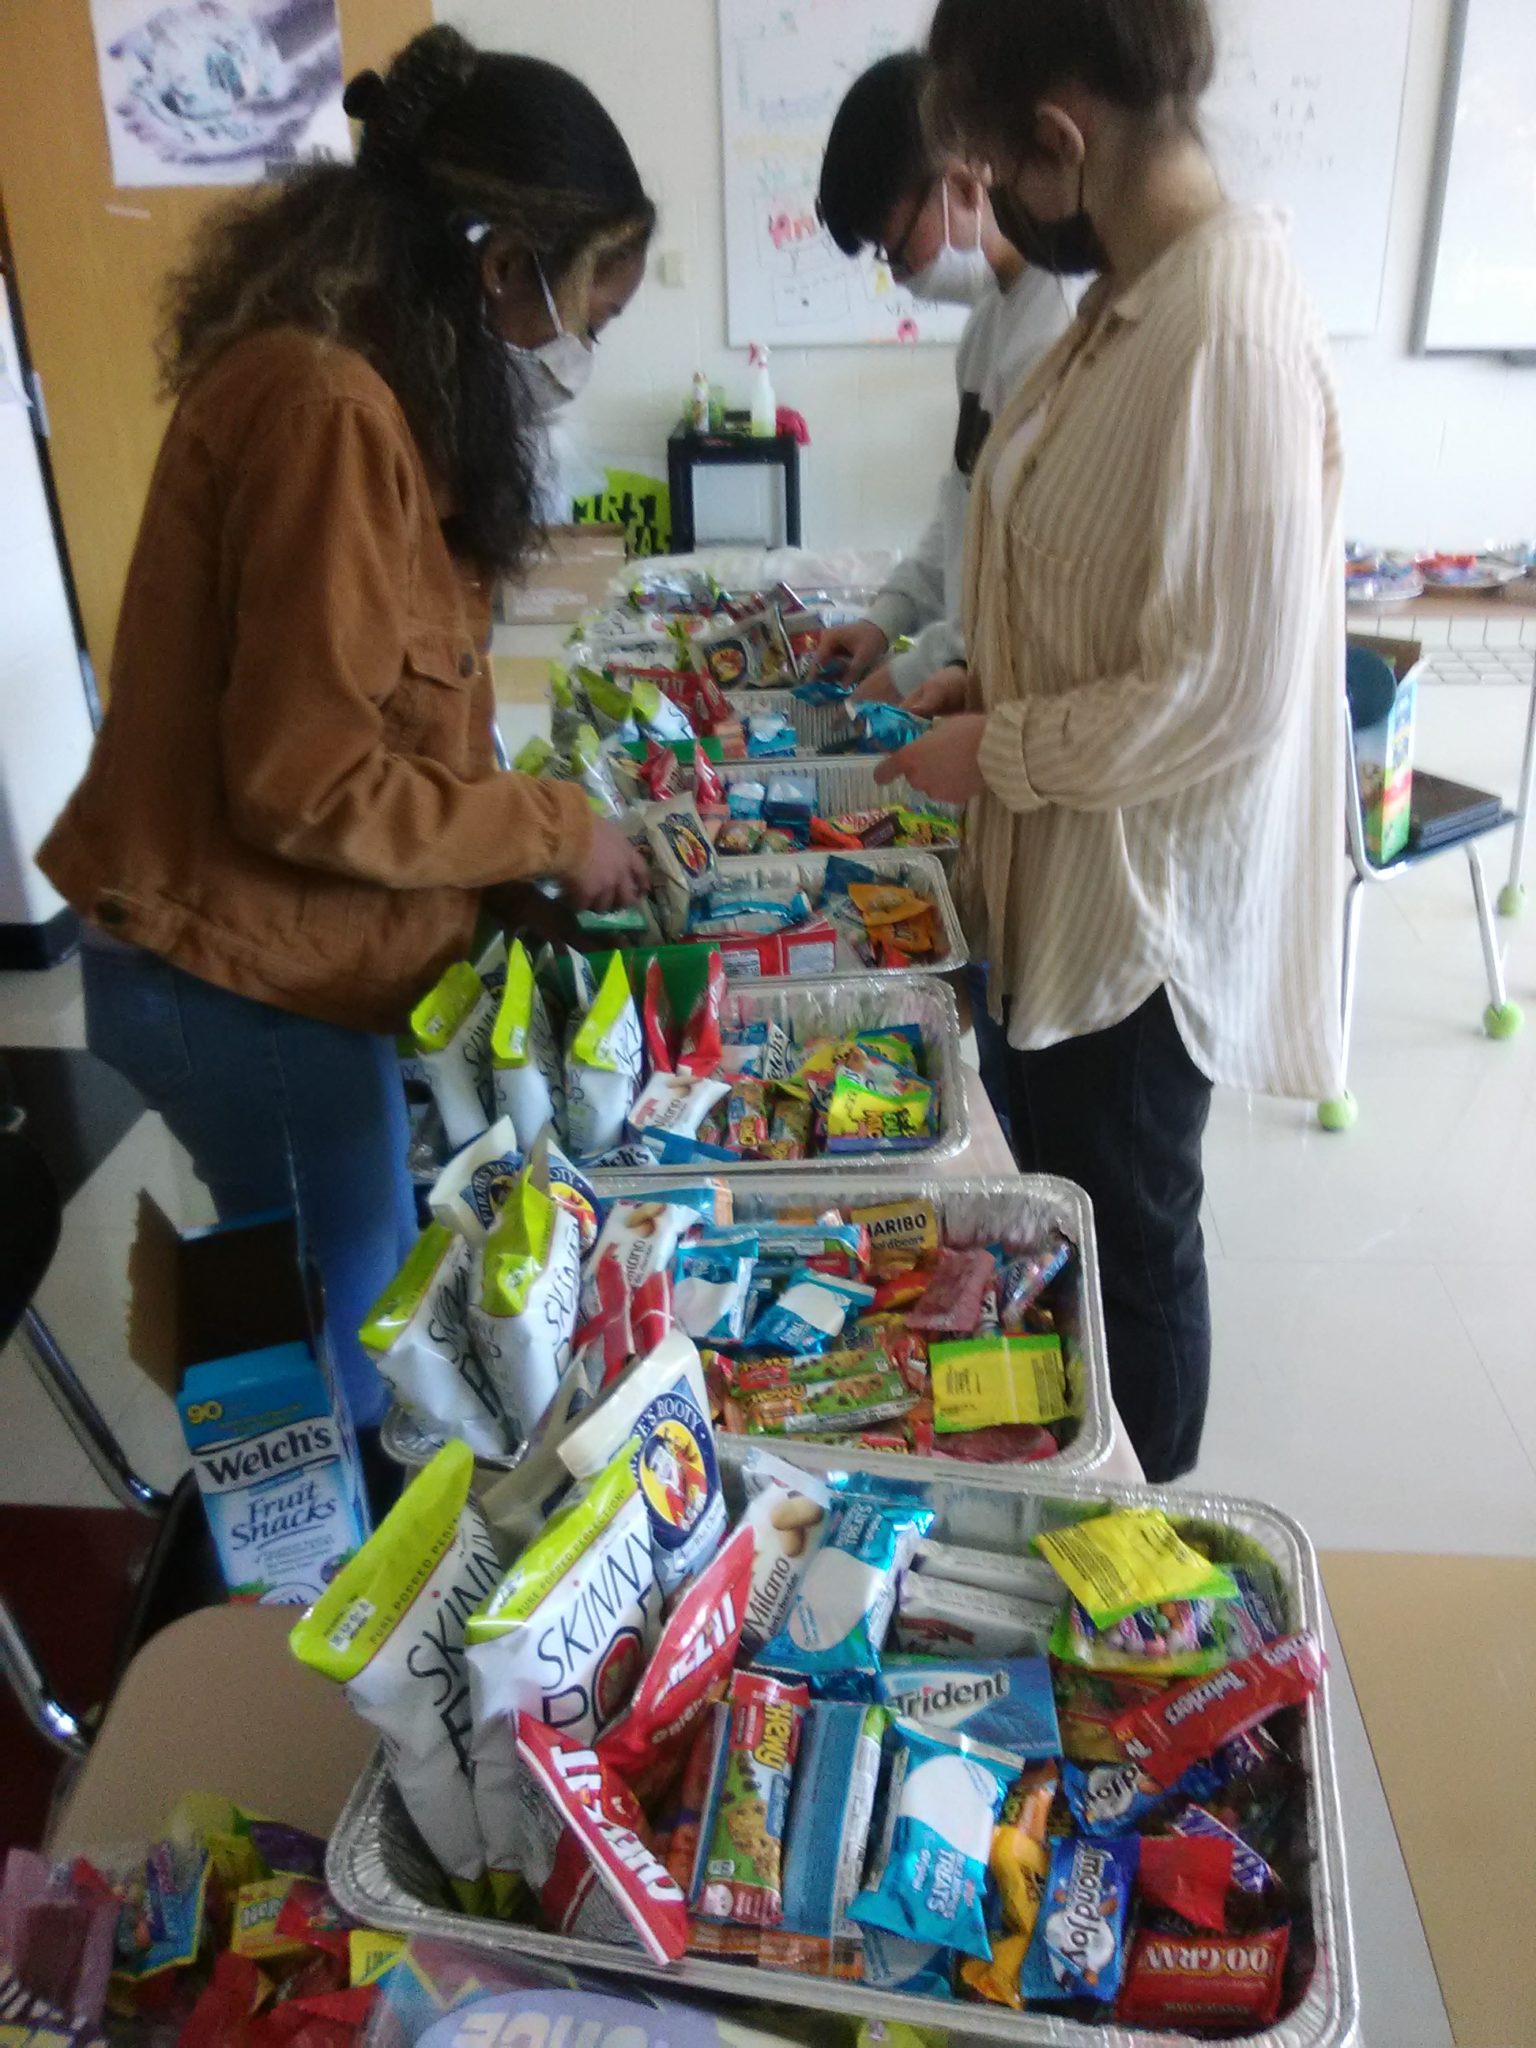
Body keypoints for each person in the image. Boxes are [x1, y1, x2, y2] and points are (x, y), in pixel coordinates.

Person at [38, 27, 653, 1443]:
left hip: (275, 961)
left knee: (350, 1288)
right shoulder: (327, 409)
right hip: (238, 975)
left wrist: (511, 861)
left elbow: (396, 721)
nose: (578, 351)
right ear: (500, 267)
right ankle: (314, 1624)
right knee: (351, 1346)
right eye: (583, 309)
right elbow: (307, 783)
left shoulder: (378, 398)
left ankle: (317, 1559)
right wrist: (555, 828)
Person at [878, 0, 1344, 1481]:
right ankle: (1076, 1506)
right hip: (1065, 889)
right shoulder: (1125, 301)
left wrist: (1004, 748)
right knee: (1068, 1234)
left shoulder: (1230, 322)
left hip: (1141, 926)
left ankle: (1144, 1561)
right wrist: (986, 682)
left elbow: (1220, 688)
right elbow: (1103, 584)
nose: (995, 209)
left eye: (994, 173)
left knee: (1128, 1247)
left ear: (1058, 142)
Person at [814, 50, 1076, 1139]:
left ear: (961, 172)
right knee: (999, 1015)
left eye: (896, 239)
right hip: (973, 703)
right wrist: (887, 616)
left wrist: (915, 668)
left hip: (1020, 727)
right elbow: (958, 516)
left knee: (1039, 1047)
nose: (901, 268)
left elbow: (1025, 578)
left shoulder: (1063, 322)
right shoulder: (990, 329)